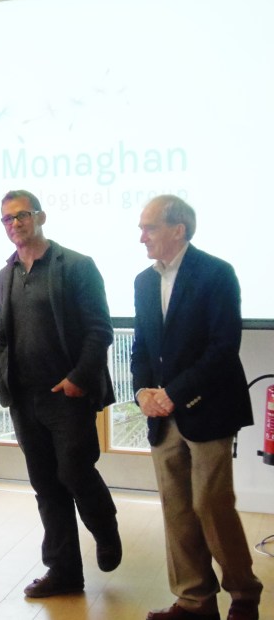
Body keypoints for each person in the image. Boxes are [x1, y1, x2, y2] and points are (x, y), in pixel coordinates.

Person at [133, 195, 262, 620]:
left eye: (150, 228)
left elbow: (223, 347)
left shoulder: (216, 273)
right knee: (177, 509)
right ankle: (195, 600)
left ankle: (243, 593)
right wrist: (142, 392)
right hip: (162, 415)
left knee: (211, 505)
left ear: (178, 229)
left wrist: (174, 392)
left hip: (209, 409)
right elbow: (141, 347)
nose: (142, 237)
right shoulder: (143, 282)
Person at [0, 189, 121, 598]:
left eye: (22, 215)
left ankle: (105, 527)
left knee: (76, 473)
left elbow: (99, 330)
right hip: (24, 398)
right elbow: (1, 335)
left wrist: (79, 378)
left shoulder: (77, 266)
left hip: (68, 395)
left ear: (41, 217)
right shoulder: (7, 274)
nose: (15, 224)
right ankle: (63, 571)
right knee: (46, 485)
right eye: (7, 218)